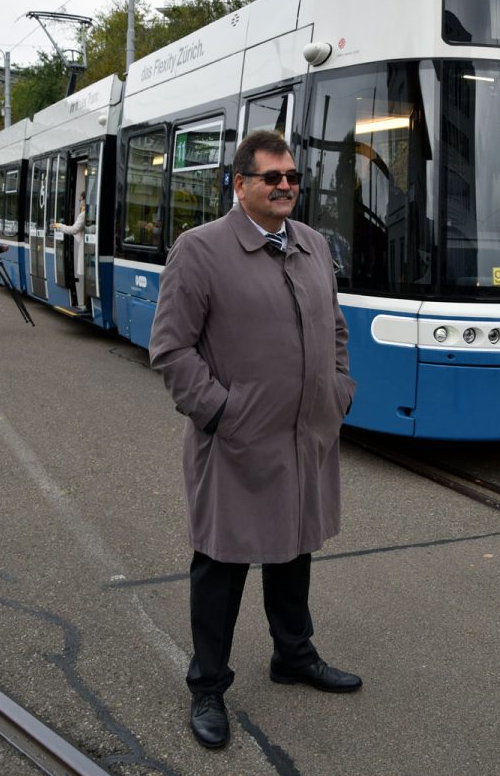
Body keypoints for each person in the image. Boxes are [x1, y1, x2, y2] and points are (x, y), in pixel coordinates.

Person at [149, 130, 360, 751]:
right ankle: (208, 685)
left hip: (305, 437)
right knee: (223, 560)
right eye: (272, 177)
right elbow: (171, 348)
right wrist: (220, 413)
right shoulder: (201, 250)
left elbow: (336, 327)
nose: (287, 186)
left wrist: (337, 391)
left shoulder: (314, 245)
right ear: (240, 185)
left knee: (293, 550)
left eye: (293, 176)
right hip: (237, 441)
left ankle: (293, 654)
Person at [54, 193, 85, 308]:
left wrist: (59, 226)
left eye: (81, 200)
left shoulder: (83, 215)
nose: (80, 202)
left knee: (84, 276)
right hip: (88, 249)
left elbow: (73, 230)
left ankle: (84, 302)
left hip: (86, 250)